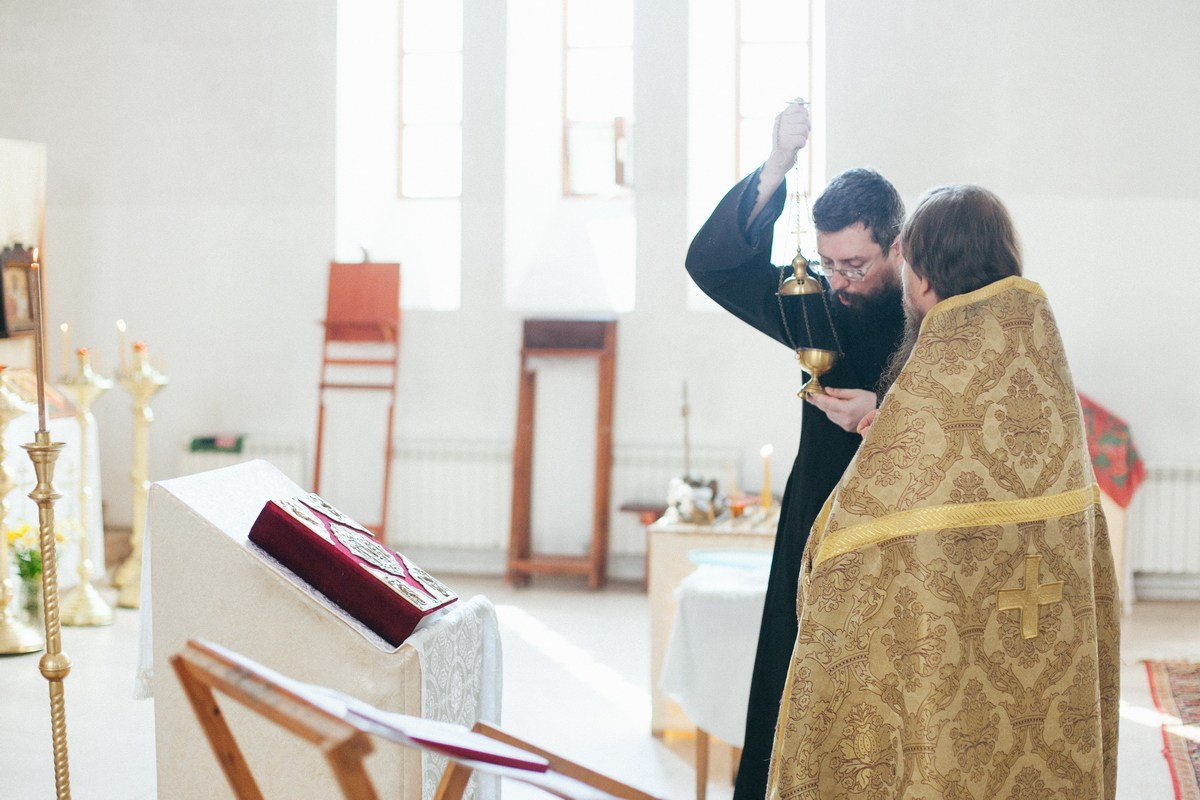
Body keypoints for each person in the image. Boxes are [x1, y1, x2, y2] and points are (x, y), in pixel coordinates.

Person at [766, 185, 1120, 799]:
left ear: (923, 277)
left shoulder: (936, 380)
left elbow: (850, 543)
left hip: (947, 656)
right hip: (1037, 643)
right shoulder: (1038, 361)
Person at [685, 100, 906, 800]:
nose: (840, 282)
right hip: (815, 517)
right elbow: (714, 265)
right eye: (830, 263)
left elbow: (963, 410)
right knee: (794, 677)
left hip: (899, 527)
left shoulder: (931, 311)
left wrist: (882, 412)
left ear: (897, 249)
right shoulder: (815, 298)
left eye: (856, 265)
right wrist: (776, 166)